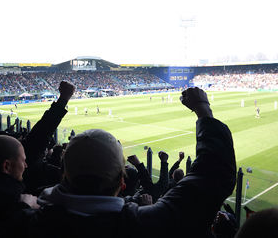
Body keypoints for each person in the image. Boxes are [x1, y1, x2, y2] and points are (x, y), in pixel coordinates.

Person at [19, 87, 236, 238]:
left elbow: (30, 149)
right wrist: (203, 110)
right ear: (122, 181)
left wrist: (25, 204)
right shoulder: (149, 225)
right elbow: (214, 175)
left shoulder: (23, 221)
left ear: (62, 172)